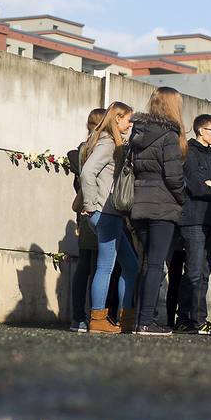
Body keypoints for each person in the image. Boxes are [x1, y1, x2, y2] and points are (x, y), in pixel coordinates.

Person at [128, 88, 190, 335]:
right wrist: (183, 198)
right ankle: (146, 321)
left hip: (139, 201)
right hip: (162, 204)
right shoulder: (169, 135)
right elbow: (174, 176)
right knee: (156, 265)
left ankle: (139, 319)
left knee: (146, 264)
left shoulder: (138, 132)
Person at [77, 102, 139, 334]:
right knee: (106, 266)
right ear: (117, 118)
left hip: (108, 212)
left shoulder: (106, 140)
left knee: (130, 266)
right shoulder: (108, 142)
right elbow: (87, 172)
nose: (130, 124)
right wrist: (91, 206)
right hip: (105, 212)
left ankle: (125, 317)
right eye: (127, 120)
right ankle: (98, 318)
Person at [176, 115, 211, 334]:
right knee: (195, 270)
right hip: (193, 218)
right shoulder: (189, 152)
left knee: (204, 271)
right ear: (200, 130)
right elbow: (197, 187)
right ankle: (192, 319)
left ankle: (192, 318)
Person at [66, 107, 107, 333]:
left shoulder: (84, 149)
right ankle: (88, 316)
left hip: (84, 212)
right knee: (93, 265)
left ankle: (80, 317)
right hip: (94, 210)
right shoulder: (93, 148)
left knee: (87, 265)